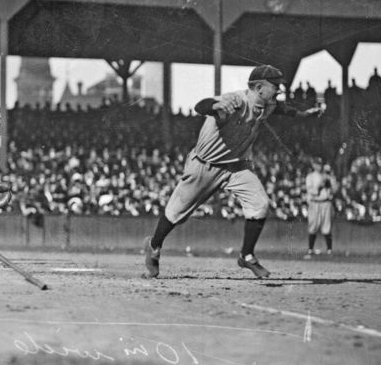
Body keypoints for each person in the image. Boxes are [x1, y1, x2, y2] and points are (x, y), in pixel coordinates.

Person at [143, 65, 324, 279]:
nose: (279, 89)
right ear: (258, 87)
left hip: (237, 166)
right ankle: (154, 246)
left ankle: (246, 256)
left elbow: (281, 108)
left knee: (260, 204)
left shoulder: (268, 103)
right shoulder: (237, 102)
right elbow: (201, 106)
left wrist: (302, 114)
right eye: (275, 86)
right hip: (205, 165)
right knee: (175, 213)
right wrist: (216, 103)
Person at [304, 159, 336, 259]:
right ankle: (310, 249)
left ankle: (329, 250)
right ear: (313, 165)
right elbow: (311, 191)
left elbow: (334, 190)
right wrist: (320, 186)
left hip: (326, 202)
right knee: (313, 225)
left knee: (327, 225)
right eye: (317, 164)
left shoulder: (328, 176)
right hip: (315, 202)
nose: (319, 166)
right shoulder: (310, 176)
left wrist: (330, 184)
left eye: (320, 164)